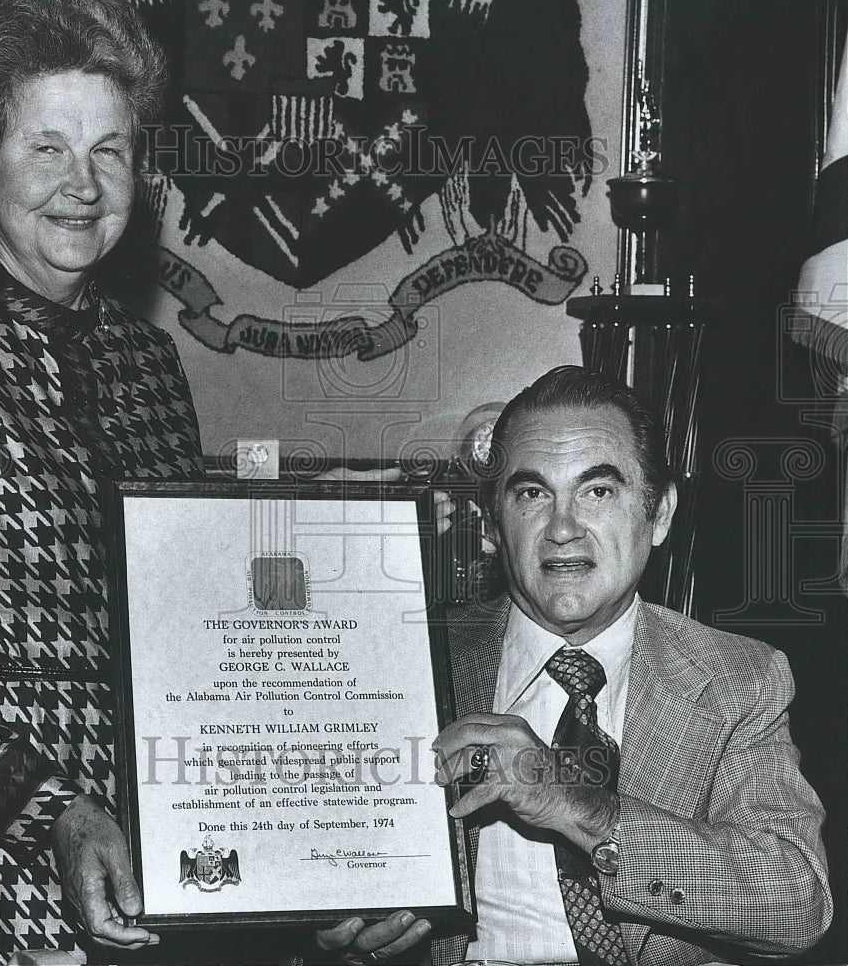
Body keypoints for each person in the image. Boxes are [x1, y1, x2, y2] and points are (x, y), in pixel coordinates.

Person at [0, 0, 433, 965]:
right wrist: (49, 808)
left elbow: (195, 632)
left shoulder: (146, 362)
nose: (81, 183)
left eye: (109, 149)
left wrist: (340, 849)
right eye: (45, 146)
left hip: (153, 852)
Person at [317, 366, 833, 965]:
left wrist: (577, 806)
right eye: (532, 494)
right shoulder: (402, 660)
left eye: (598, 491)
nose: (562, 529)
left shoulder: (737, 677)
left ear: (659, 514)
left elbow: (796, 907)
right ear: (492, 524)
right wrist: (329, 930)